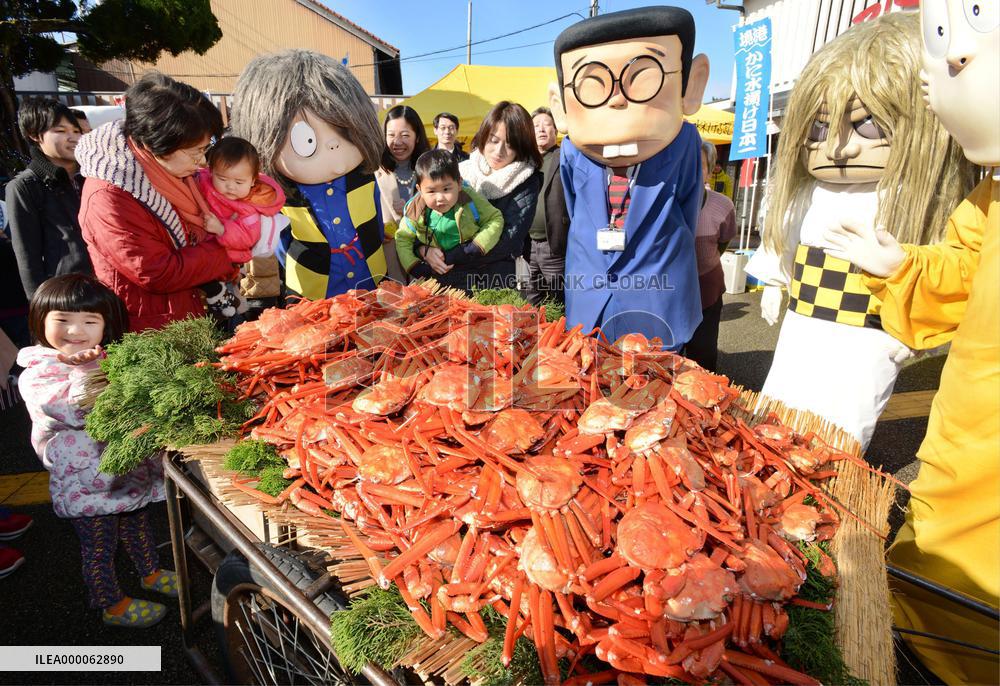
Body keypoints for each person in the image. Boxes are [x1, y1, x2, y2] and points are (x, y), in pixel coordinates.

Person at [824, 3, 999, 681]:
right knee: (930, 587)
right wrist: (902, 266)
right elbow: (959, 271)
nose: (945, 65)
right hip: (958, 450)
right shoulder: (988, 196)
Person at [745, 13, 971, 450]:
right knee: (779, 401)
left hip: (867, 330)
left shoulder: (913, 196)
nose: (840, 147)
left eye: (868, 125)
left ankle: (828, 489)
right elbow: (784, 239)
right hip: (803, 319)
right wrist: (775, 282)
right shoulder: (803, 192)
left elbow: (944, 265)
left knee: (845, 418)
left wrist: (912, 329)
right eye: (819, 127)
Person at [16, 274, 175, 627]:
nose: (76, 331)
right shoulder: (37, 374)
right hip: (85, 484)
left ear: (107, 325)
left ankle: (150, 573)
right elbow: (76, 410)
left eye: (90, 321)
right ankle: (110, 603)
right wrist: (87, 368)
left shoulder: (109, 358)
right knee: (99, 549)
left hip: (123, 473)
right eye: (62, 320)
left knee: (139, 526)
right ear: (39, 322)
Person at [548, 6, 710, 348]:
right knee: (591, 381)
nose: (619, 100)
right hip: (591, 301)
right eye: (594, 85)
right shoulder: (572, 150)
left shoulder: (683, 142)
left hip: (658, 299)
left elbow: (689, 206)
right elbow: (576, 210)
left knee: (661, 389)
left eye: (642, 79)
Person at [75, 73, 235, 332]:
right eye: (196, 151)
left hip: (193, 312)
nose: (203, 161)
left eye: (206, 149)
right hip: (152, 329)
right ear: (155, 143)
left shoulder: (176, 172)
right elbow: (156, 272)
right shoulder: (110, 195)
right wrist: (230, 248)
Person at [230, 50, 388, 300]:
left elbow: (375, 219)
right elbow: (276, 245)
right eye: (307, 141)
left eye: (345, 132)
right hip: (312, 293)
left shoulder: (364, 178)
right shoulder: (277, 196)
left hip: (369, 281)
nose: (334, 147)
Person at [5, 97, 91, 300]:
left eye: (76, 131)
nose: (73, 138)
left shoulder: (94, 176)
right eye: (61, 131)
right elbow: (28, 259)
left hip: (110, 285)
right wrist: (41, 308)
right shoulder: (24, 187)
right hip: (67, 295)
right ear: (35, 135)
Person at [195, 137, 286, 317]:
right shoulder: (202, 181)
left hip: (227, 261)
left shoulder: (250, 209)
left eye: (239, 182)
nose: (230, 187)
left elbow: (247, 237)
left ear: (253, 181)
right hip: (202, 252)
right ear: (211, 171)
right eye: (222, 178)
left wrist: (222, 229)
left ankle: (227, 304)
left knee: (225, 310)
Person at [458, 101, 542, 292]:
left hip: (497, 280)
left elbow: (509, 239)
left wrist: (457, 255)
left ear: (521, 147)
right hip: (455, 276)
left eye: (510, 145)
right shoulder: (462, 170)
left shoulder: (527, 180)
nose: (499, 151)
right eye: (494, 140)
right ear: (483, 136)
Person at [395, 149, 504, 294]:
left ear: (459, 184)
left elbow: (495, 219)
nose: (440, 198)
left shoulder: (469, 199)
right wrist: (416, 267)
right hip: (432, 275)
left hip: (469, 269)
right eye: (431, 191)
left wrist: (476, 246)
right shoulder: (415, 209)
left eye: (446, 189)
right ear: (419, 189)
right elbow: (403, 239)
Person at [686, 140, 736, 372]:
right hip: (671, 289)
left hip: (707, 286)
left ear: (710, 168)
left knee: (703, 354)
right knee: (667, 352)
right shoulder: (665, 203)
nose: (694, 170)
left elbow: (724, 241)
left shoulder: (723, 205)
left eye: (701, 165)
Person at [375, 106, 431, 283]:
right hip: (386, 265)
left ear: (418, 137)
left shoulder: (431, 170)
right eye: (391, 135)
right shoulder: (373, 171)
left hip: (425, 260)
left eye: (405, 135)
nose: (397, 142)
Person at [522, 107, 569, 306]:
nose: (541, 129)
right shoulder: (525, 162)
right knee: (532, 298)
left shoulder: (564, 157)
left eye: (547, 125)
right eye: (536, 126)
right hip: (528, 246)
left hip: (554, 244)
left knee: (559, 299)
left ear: (556, 130)